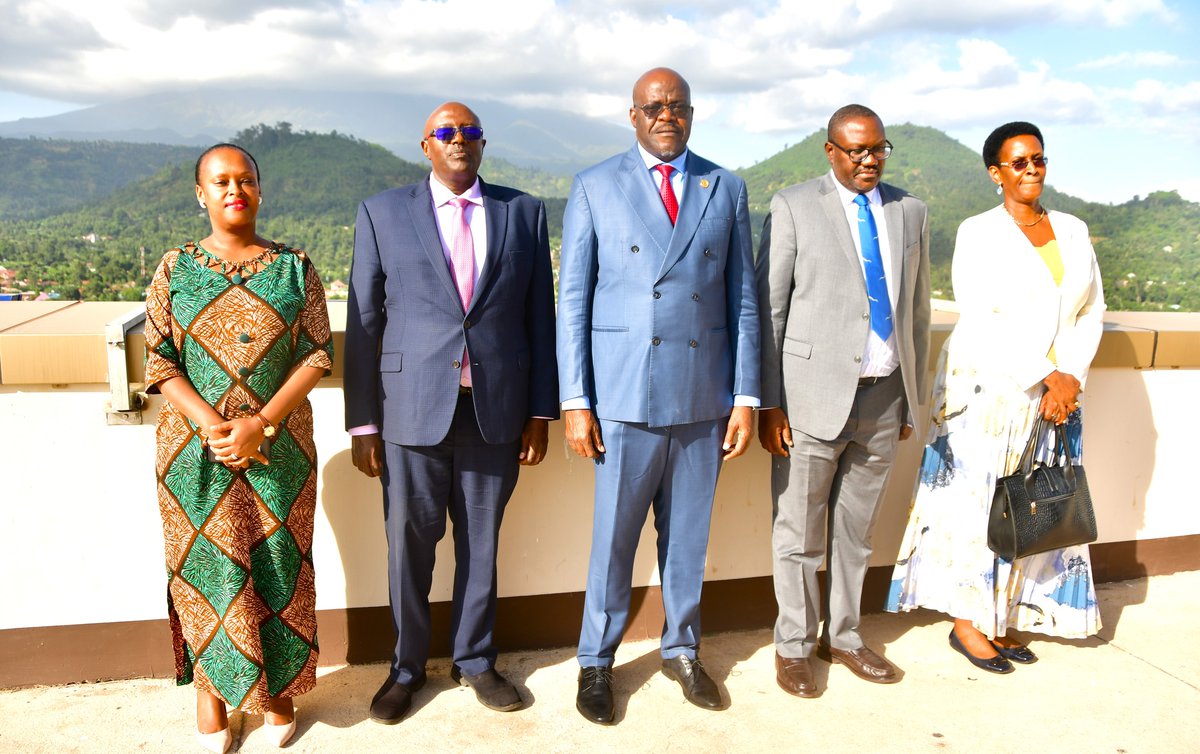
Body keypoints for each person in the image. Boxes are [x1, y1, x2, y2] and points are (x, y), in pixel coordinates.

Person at [343, 101, 558, 724]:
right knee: (408, 546)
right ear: (426, 145)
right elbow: (364, 324)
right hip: (409, 412)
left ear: (483, 144)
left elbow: (537, 320)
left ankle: (475, 660)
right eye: (446, 132)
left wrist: (540, 412)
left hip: (496, 409)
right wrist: (364, 424)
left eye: (469, 132)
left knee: (482, 544)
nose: (458, 140)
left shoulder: (524, 212)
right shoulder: (383, 213)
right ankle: (407, 668)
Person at [557, 67, 760, 724]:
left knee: (688, 540)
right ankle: (596, 661)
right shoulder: (594, 186)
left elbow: (743, 302)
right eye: (653, 106)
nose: (665, 114)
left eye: (677, 105)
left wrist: (747, 396)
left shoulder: (724, 186)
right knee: (613, 541)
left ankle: (681, 649)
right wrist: (576, 400)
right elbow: (574, 304)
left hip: (702, 397)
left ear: (692, 114)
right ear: (633, 115)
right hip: (620, 397)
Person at [886, 121, 1105, 672]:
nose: (1031, 169)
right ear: (995, 173)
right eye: (1018, 162)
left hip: (1056, 393)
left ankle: (1001, 618)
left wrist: (1070, 375)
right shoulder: (979, 231)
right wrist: (1046, 374)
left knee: (1032, 505)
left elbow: (1090, 311)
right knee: (976, 504)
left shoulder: (1074, 231)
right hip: (985, 389)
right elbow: (982, 315)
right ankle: (967, 624)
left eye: (1038, 159)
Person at [145, 143, 333, 753]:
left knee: (278, 567)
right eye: (220, 181)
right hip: (194, 454)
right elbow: (159, 360)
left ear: (260, 189)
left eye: (246, 179)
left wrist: (261, 424)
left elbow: (316, 354)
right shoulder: (175, 268)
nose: (235, 189)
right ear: (199, 193)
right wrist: (213, 425)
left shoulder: (293, 267)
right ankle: (213, 701)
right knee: (208, 572)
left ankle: (278, 696)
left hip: (279, 451)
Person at [756, 104, 931, 698]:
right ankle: (795, 646)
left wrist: (910, 400)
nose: (867, 160)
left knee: (856, 533)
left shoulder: (911, 212)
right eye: (855, 150)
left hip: (884, 399)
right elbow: (770, 310)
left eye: (877, 149)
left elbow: (918, 314)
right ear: (829, 150)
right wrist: (769, 404)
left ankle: (847, 637)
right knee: (798, 531)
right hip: (808, 400)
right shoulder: (793, 206)